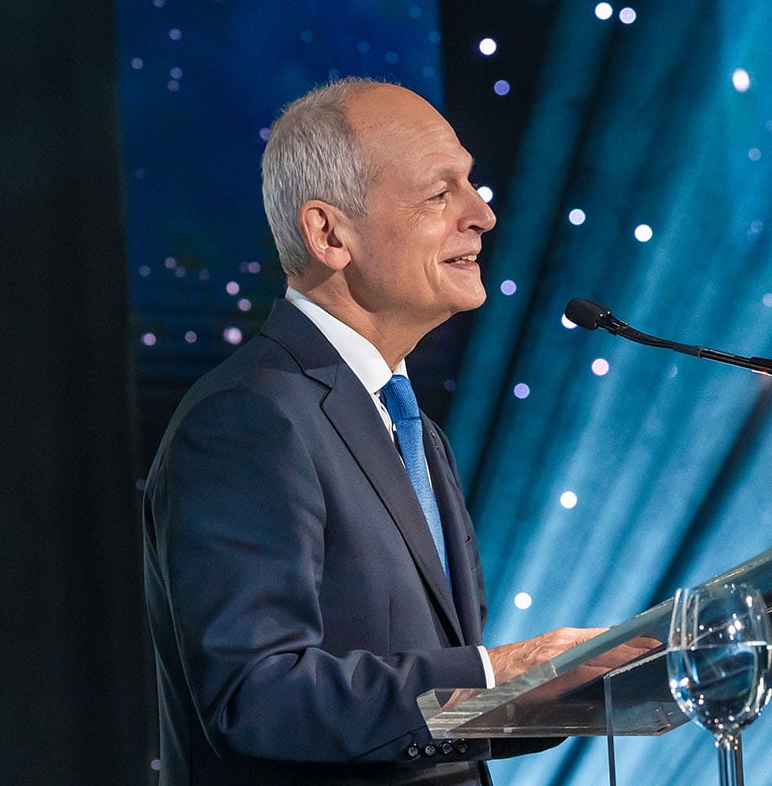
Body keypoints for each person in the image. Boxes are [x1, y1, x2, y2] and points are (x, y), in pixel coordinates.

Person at [142, 78, 601, 785]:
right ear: (329, 234)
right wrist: (492, 673)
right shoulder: (248, 417)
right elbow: (254, 696)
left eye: (472, 184)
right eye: (440, 192)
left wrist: (562, 693)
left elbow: (411, 717)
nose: (482, 214)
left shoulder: (407, 425)